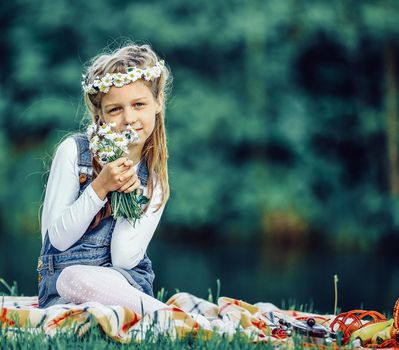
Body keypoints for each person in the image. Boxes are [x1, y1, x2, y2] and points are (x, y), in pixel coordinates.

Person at [36, 43, 172, 315]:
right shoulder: (74, 153)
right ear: (100, 115)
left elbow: (123, 257)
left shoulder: (153, 178)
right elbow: (57, 240)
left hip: (123, 284)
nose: (129, 118)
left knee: (101, 284)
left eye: (139, 104)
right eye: (115, 110)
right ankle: (165, 317)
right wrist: (100, 188)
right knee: (73, 277)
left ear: (157, 103)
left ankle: (167, 318)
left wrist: (129, 195)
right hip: (64, 287)